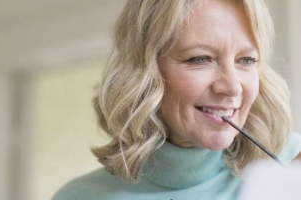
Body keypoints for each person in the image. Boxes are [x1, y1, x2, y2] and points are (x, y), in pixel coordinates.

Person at [53, 0, 301, 199]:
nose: (233, 87)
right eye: (200, 59)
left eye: (246, 60)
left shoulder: (293, 166)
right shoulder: (80, 196)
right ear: (145, 74)